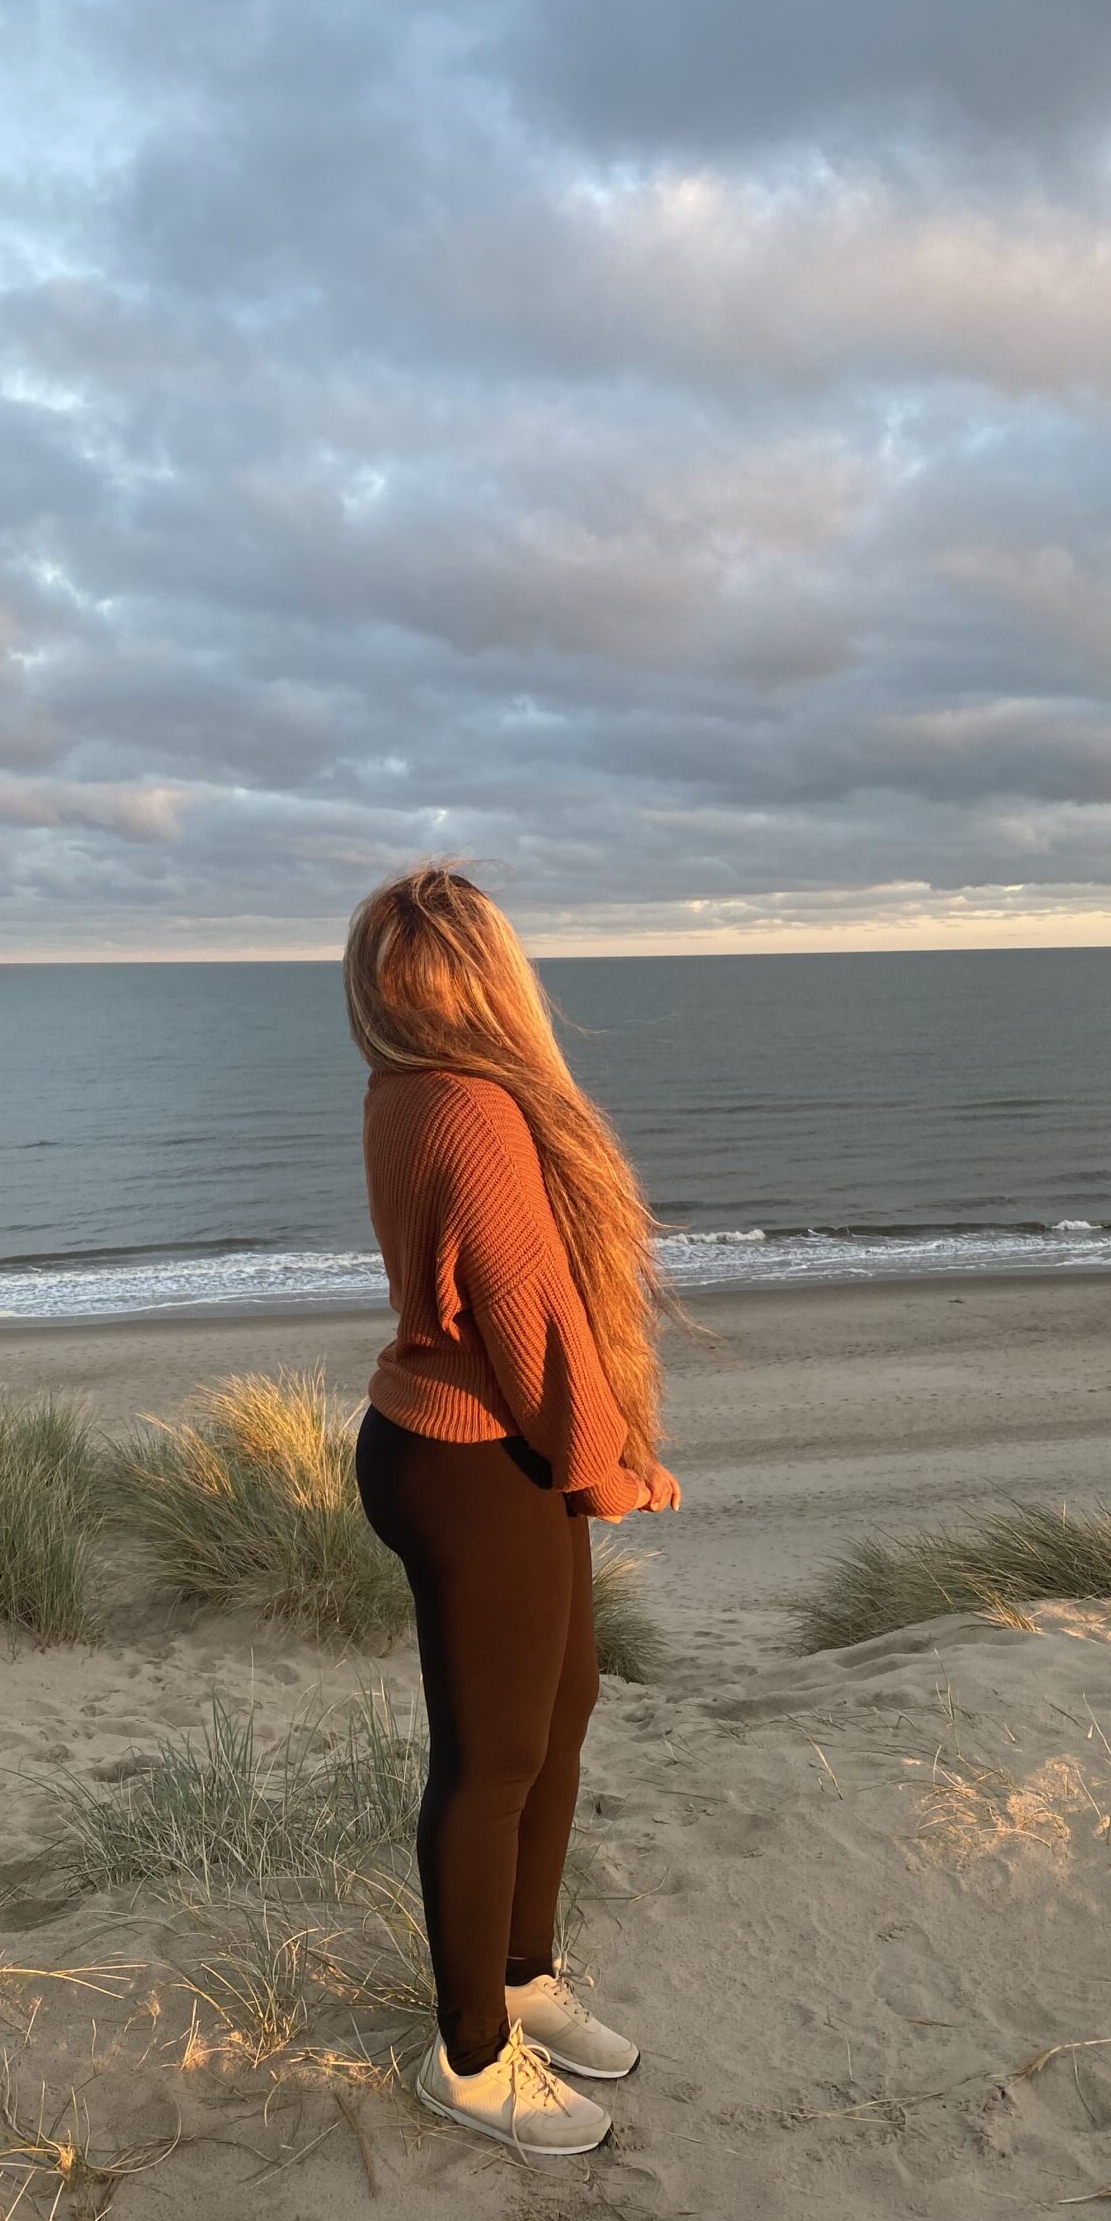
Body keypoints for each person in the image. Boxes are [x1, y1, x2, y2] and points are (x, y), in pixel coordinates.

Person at [345, 865, 683, 2155]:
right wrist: (606, 1464)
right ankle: (470, 2058)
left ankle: (525, 1984)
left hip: (468, 1451)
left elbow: (528, 1311)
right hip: (473, 1460)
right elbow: (531, 1320)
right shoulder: (472, 1107)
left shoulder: (404, 1090)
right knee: (490, 1764)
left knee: (559, 1715)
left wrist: (595, 1453)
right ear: (492, 976)